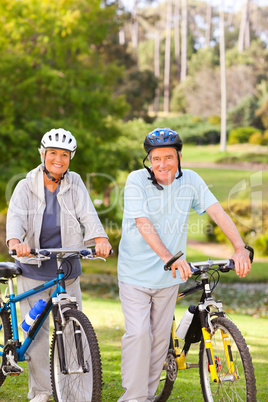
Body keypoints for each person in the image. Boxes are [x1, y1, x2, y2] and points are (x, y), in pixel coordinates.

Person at [117, 128, 252, 402]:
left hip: (168, 279)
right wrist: (171, 257)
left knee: (158, 343)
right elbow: (142, 223)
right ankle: (132, 398)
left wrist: (240, 247)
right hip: (134, 274)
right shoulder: (136, 181)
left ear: (179, 157)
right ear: (149, 160)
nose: (162, 164)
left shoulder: (190, 180)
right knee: (140, 335)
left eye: (168, 157)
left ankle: (147, 396)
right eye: (156, 159)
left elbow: (217, 212)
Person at [6, 128, 111, 402]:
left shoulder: (74, 183)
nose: (58, 159)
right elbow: (16, 217)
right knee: (38, 335)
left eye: (64, 155)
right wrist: (17, 241)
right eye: (53, 153)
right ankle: (41, 391)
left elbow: (88, 214)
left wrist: (100, 239)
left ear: (70, 158)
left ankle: (77, 390)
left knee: (73, 327)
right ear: (43, 155)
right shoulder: (26, 185)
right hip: (34, 267)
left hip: (66, 268)